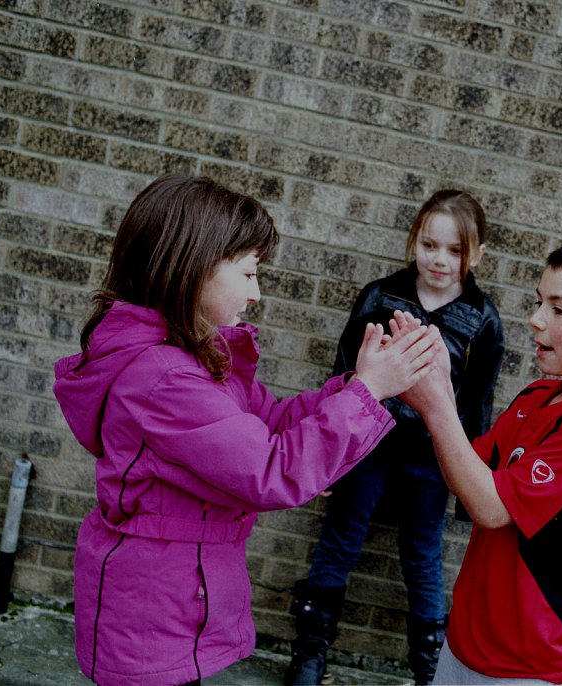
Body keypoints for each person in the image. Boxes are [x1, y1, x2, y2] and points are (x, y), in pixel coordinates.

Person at [53, 173, 443, 686]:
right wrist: (367, 394)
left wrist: (356, 386)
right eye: (248, 272)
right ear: (191, 267)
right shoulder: (164, 378)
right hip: (152, 617)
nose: (256, 293)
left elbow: (272, 424)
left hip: (167, 606)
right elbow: (271, 469)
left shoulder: (188, 359)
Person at [400, 238, 562, 685]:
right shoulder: (539, 395)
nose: (535, 320)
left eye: (558, 309)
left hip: (534, 668)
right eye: (539, 302)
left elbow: (492, 507)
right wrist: (436, 379)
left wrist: (437, 404)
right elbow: (467, 474)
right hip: (466, 645)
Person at [285, 190, 505, 685]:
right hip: (367, 445)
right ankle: (310, 654)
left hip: (431, 459)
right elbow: (344, 375)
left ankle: (430, 671)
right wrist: (327, 455)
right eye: (430, 244)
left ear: (478, 253)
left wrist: (471, 488)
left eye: (456, 250)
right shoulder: (380, 296)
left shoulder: (483, 320)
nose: (440, 260)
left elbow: (477, 404)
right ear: (414, 241)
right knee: (338, 543)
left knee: (423, 557)